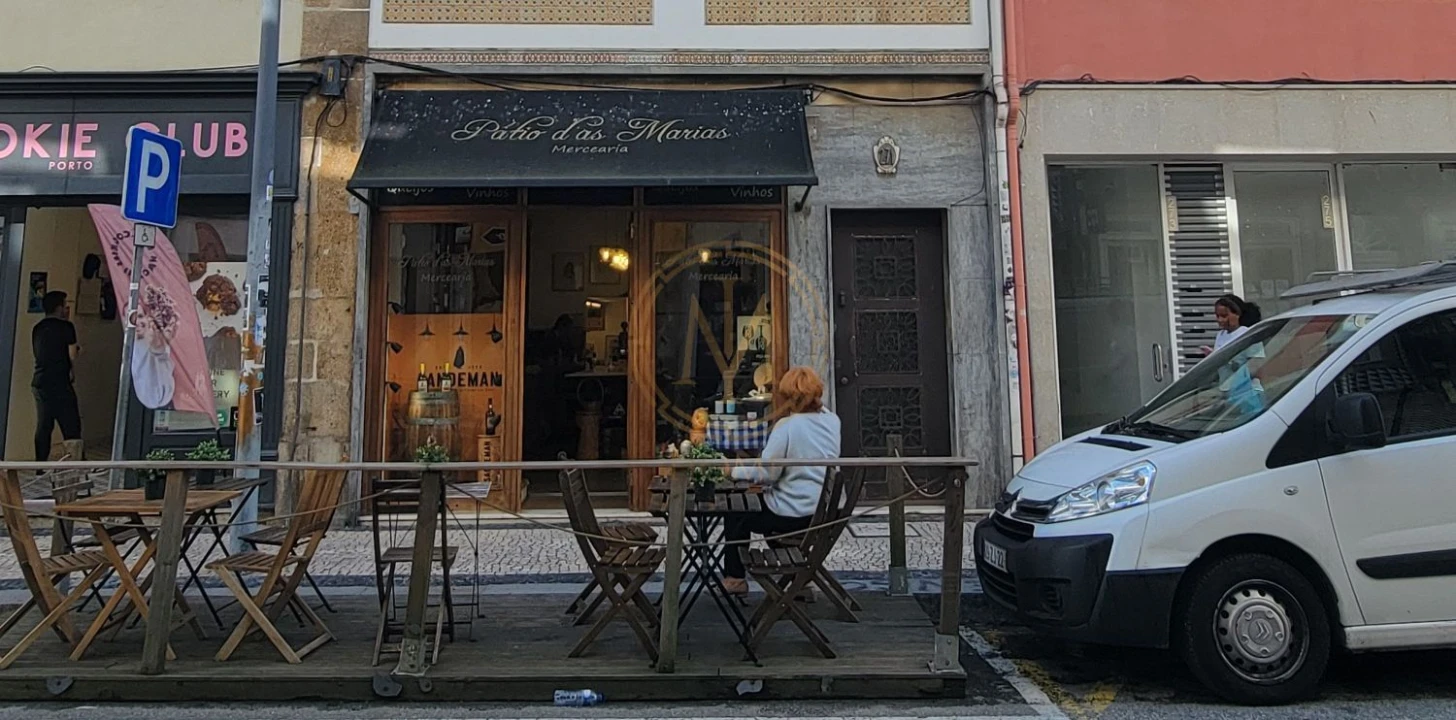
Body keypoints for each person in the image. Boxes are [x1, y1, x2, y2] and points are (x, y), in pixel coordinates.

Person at [722, 366, 841, 596]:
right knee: (759, 508)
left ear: (790, 397)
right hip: (819, 513)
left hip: (792, 512)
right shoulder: (832, 422)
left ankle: (735, 578)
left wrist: (732, 471)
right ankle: (797, 577)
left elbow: (768, 473)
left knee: (736, 512)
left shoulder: (787, 427)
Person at [31, 291, 81, 461]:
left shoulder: (38, 328)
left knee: (44, 424)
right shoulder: (66, 327)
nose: (67, 309)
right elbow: (72, 354)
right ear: (59, 308)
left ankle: (39, 465)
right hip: (60, 382)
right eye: (66, 306)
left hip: (40, 382)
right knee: (71, 424)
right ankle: (76, 462)